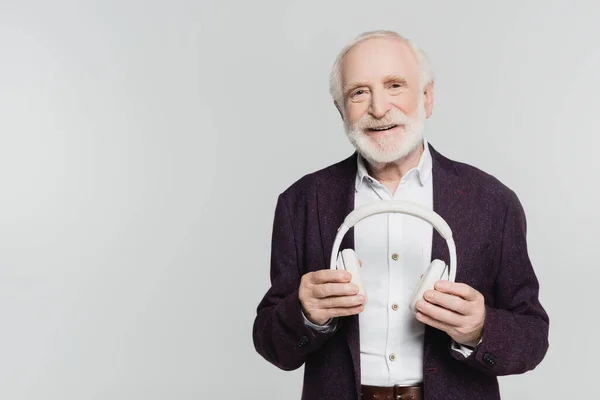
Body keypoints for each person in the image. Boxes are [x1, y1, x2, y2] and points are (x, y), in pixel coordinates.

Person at [252, 30, 549, 400]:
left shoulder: (493, 201)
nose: (378, 108)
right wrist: (305, 313)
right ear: (341, 109)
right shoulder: (300, 201)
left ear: (426, 97)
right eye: (359, 92)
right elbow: (270, 342)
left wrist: (479, 329)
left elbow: (533, 338)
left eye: (394, 85)